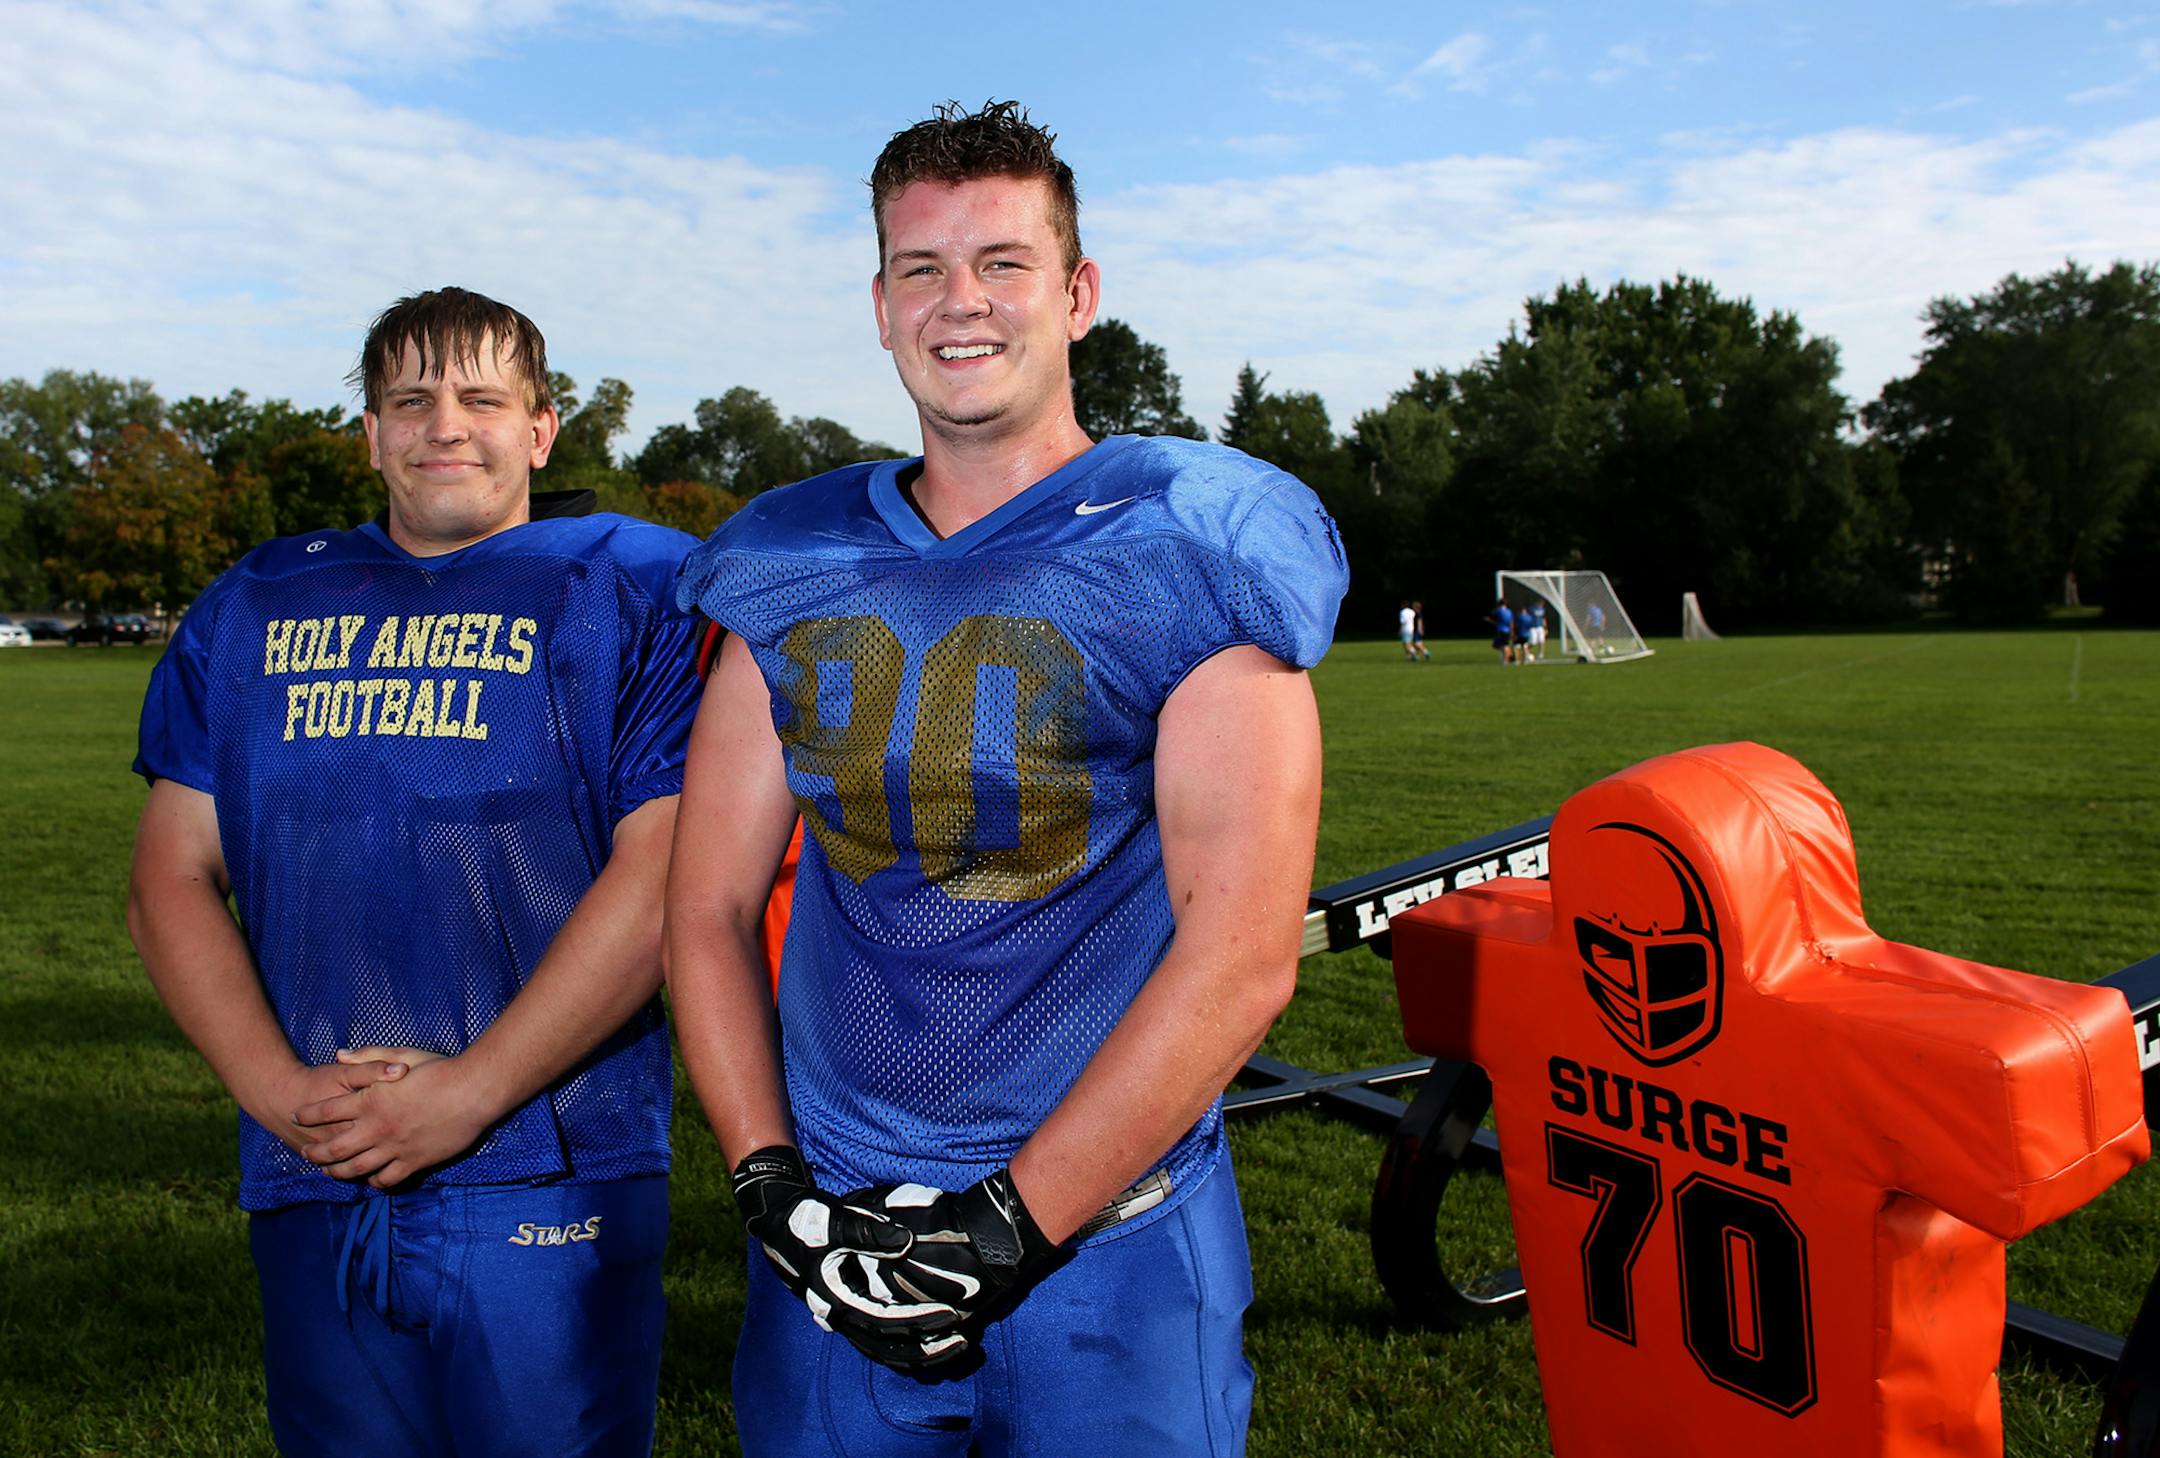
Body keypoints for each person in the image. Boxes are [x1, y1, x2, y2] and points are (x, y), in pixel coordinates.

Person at [666, 100, 1347, 1457]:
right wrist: (773, 1192)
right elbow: (704, 908)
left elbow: (1243, 957)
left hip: (1112, 1239)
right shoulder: (789, 559)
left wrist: (1009, 1222)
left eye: (1002, 263)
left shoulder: (1187, 542)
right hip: (841, 1231)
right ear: (877, 302)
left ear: (1079, 292)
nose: (958, 302)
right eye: (921, 268)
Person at [127, 288, 704, 1458]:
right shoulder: (258, 602)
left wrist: (471, 1089)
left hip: (553, 1157)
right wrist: (277, 1093)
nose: (446, 425)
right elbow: (169, 878)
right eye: (411, 399)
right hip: (317, 1158)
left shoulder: (636, 585)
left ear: (541, 430)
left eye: (482, 398)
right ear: (372, 434)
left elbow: (667, 879)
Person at [1488, 599, 1515, 665]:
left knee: (1501, 646)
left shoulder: (1499, 610)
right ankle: (1510, 657)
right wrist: (1512, 631)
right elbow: (1511, 622)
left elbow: (1492, 613)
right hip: (1507, 630)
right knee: (1503, 645)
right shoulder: (1509, 611)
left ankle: (1506, 660)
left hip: (1500, 630)